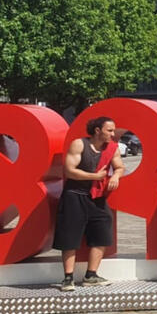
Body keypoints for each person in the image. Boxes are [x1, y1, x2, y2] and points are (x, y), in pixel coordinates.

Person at [52, 116, 125, 292]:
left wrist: (115, 176)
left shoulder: (112, 148)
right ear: (97, 130)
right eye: (109, 130)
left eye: (113, 131)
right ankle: (68, 278)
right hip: (74, 195)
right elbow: (70, 171)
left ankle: (91, 275)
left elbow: (120, 167)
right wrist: (94, 176)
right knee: (69, 236)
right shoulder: (79, 144)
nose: (113, 134)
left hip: (97, 197)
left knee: (103, 233)